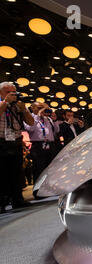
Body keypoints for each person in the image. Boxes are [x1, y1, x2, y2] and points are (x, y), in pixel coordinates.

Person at [0, 82, 35, 212]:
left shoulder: (17, 106)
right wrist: (5, 102)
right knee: (2, 173)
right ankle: (2, 202)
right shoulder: (2, 103)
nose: (13, 95)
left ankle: (17, 199)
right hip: (1, 142)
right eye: (9, 92)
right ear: (1, 92)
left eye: (14, 92)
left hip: (15, 142)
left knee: (16, 172)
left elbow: (31, 123)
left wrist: (24, 109)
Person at [24, 104, 60, 199]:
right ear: (33, 108)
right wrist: (37, 116)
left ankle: (50, 190)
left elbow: (56, 131)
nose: (43, 110)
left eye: (44, 108)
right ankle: (38, 192)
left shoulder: (48, 119)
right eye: (40, 108)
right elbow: (30, 129)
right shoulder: (30, 117)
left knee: (50, 169)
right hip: (38, 145)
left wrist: (55, 120)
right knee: (39, 169)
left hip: (50, 145)